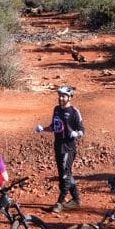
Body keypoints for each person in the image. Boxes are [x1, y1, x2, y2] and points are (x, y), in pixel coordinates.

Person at [36, 85, 85, 213]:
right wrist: (43, 129)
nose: (61, 98)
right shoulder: (56, 109)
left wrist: (76, 133)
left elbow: (82, 131)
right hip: (58, 146)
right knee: (66, 174)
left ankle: (60, 202)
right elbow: (54, 127)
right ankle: (76, 200)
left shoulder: (74, 112)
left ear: (70, 97)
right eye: (60, 96)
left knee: (64, 176)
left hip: (68, 148)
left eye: (64, 96)